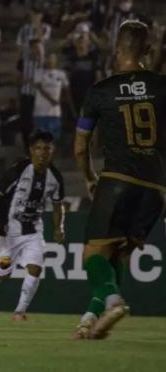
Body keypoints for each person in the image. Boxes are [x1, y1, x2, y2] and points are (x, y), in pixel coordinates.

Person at [72, 20, 166, 339]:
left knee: (92, 254)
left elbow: (80, 147)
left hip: (116, 179)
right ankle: (89, 319)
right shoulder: (162, 86)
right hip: (155, 186)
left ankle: (114, 301)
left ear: (116, 50)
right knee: (117, 252)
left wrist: (89, 178)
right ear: (148, 51)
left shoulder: (100, 92)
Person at [0, 130, 65, 321]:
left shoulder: (55, 177)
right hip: (7, 232)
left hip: (33, 231)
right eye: (38, 148)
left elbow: (57, 204)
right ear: (31, 150)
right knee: (5, 274)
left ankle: (19, 311)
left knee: (35, 268)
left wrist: (59, 226)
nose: (42, 152)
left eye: (47, 148)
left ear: (52, 151)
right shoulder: (18, 170)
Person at [33, 53, 71, 141]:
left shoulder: (61, 74)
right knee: (41, 139)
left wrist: (62, 100)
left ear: (56, 60)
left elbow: (67, 90)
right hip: (40, 112)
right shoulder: (38, 72)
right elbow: (40, 88)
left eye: (52, 58)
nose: (50, 60)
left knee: (54, 139)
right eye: (48, 58)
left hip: (55, 113)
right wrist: (52, 100)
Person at [17, 39, 45, 150]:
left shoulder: (45, 63)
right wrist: (22, 81)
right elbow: (18, 80)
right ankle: (27, 147)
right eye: (35, 48)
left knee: (38, 123)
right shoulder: (24, 62)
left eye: (39, 48)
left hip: (41, 97)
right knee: (26, 123)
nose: (37, 50)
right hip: (26, 95)